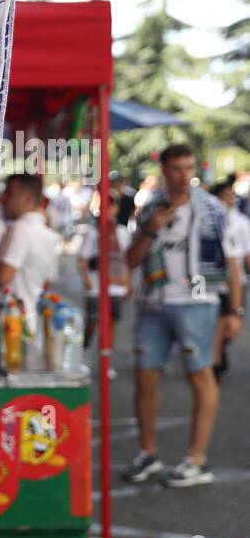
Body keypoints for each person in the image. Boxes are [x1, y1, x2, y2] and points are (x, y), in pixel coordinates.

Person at [122, 145, 243, 488]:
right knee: (146, 378)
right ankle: (148, 453)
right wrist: (150, 229)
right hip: (154, 304)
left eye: (188, 167)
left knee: (200, 376)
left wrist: (235, 311)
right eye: (176, 168)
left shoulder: (214, 209)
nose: (183, 175)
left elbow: (232, 264)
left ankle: (196, 459)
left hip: (199, 302)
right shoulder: (150, 209)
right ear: (164, 170)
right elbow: (130, 261)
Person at [0, 173, 60, 328]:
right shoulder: (48, 233)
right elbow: (48, 278)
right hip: (29, 321)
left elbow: (2, 276)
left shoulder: (20, 229)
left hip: (11, 326)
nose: (3, 199)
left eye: (9, 193)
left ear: (28, 199)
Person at [77, 190, 132, 346]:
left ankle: (106, 357)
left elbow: (125, 260)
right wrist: (87, 279)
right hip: (96, 284)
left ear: (117, 208)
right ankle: (84, 347)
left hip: (115, 285)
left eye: (111, 205)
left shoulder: (122, 232)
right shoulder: (92, 231)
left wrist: (127, 282)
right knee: (93, 321)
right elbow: (83, 259)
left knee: (111, 323)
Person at [212, 176, 250, 378]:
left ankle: (219, 352)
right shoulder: (209, 218)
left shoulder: (241, 221)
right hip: (214, 284)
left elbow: (243, 256)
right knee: (218, 324)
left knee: (232, 326)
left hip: (236, 280)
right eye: (225, 195)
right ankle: (215, 363)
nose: (230, 199)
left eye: (231, 195)